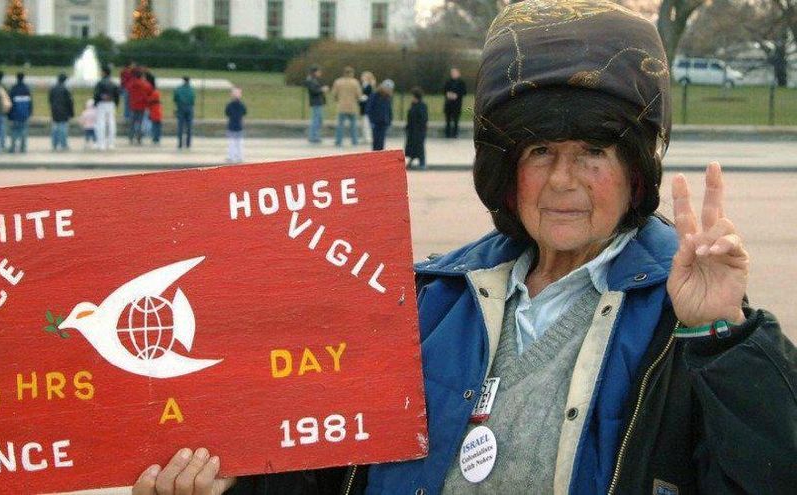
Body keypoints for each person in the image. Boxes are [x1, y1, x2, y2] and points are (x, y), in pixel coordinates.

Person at [132, 1, 797, 494]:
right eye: (541, 151)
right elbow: (324, 471)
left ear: (634, 171)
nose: (564, 180)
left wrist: (726, 337)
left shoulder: (692, 322)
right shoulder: (426, 303)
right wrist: (220, 483)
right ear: (508, 171)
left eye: (593, 152)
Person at [331, 66, 362, 147]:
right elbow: (359, 95)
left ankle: (338, 141)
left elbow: (334, 94)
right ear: (351, 73)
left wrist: (337, 99)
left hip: (341, 106)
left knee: (340, 125)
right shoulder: (355, 82)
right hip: (352, 106)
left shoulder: (338, 82)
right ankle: (354, 141)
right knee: (353, 126)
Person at [93, 65, 119, 151]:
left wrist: (96, 103)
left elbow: (96, 94)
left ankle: (101, 144)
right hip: (111, 104)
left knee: (101, 123)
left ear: (104, 72)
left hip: (102, 104)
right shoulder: (113, 83)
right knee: (111, 123)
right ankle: (111, 143)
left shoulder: (100, 82)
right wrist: (115, 103)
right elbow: (117, 95)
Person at [365, 79, 394, 151]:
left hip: (384, 122)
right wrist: (371, 121)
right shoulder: (375, 95)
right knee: (376, 142)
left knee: (381, 142)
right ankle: (375, 158)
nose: (389, 90)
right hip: (376, 122)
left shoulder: (388, 97)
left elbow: (389, 110)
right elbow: (369, 108)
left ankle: (380, 158)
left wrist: (389, 121)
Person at [6, 72, 32, 153]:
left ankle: (13, 148)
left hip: (14, 114)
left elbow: (9, 103)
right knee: (24, 131)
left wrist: (9, 115)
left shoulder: (13, 89)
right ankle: (23, 148)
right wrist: (29, 113)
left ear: (16, 78)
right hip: (24, 114)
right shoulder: (27, 89)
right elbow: (30, 103)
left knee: (14, 131)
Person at [49, 73, 74, 151]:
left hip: (54, 111)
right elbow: (70, 102)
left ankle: (54, 144)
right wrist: (71, 113)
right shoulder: (66, 90)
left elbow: (50, 100)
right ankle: (63, 145)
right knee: (63, 129)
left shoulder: (53, 89)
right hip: (64, 112)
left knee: (55, 128)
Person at [127, 69, 153, 145]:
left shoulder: (132, 83)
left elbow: (128, 89)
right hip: (142, 106)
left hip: (133, 105)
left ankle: (131, 138)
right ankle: (139, 138)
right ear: (142, 76)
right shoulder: (145, 84)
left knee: (132, 122)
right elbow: (150, 90)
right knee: (140, 123)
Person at [405, 87, 428, 169]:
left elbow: (423, 119)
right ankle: (411, 160)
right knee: (412, 147)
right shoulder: (413, 105)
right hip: (411, 130)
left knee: (419, 147)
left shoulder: (422, 106)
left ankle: (422, 163)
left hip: (419, 130)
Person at [305, 65, 328, 144]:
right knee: (316, 120)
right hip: (316, 103)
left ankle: (315, 136)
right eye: (319, 72)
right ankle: (313, 137)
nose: (320, 73)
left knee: (318, 120)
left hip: (319, 102)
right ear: (315, 72)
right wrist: (322, 89)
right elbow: (314, 91)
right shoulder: (310, 80)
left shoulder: (314, 80)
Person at [443, 67, 467, 138]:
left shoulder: (461, 82)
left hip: (457, 104)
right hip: (448, 104)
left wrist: (457, 95)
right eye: (452, 73)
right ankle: (447, 134)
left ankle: (455, 134)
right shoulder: (448, 81)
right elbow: (444, 90)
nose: (453, 74)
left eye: (454, 73)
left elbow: (464, 92)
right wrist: (448, 94)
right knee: (447, 120)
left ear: (458, 73)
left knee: (456, 120)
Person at [224, 87, 247, 163]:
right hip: (239, 126)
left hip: (231, 125)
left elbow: (227, 113)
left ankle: (231, 157)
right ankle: (240, 157)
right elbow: (244, 113)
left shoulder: (229, 105)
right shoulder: (242, 105)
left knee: (231, 143)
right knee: (239, 143)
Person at [174, 76, 196, 149]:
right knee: (189, 127)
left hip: (180, 107)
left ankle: (180, 143)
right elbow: (193, 99)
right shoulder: (192, 89)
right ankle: (188, 143)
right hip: (189, 108)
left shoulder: (178, 89)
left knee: (180, 126)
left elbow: (175, 98)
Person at [359, 71, 376, 144]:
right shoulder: (363, 85)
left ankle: (368, 138)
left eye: (363, 76)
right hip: (363, 107)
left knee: (367, 123)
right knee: (364, 123)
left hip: (367, 107)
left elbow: (369, 96)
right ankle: (365, 137)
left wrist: (362, 97)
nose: (362, 77)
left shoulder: (369, 86)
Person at [146, 73, 163, 145]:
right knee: (157, 124)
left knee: (155, 124)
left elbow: (149, 99)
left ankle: (155, 138)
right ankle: (156, 138)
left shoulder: (153, 92)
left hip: (154, 108)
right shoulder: (155, 91)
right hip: (156, 108)